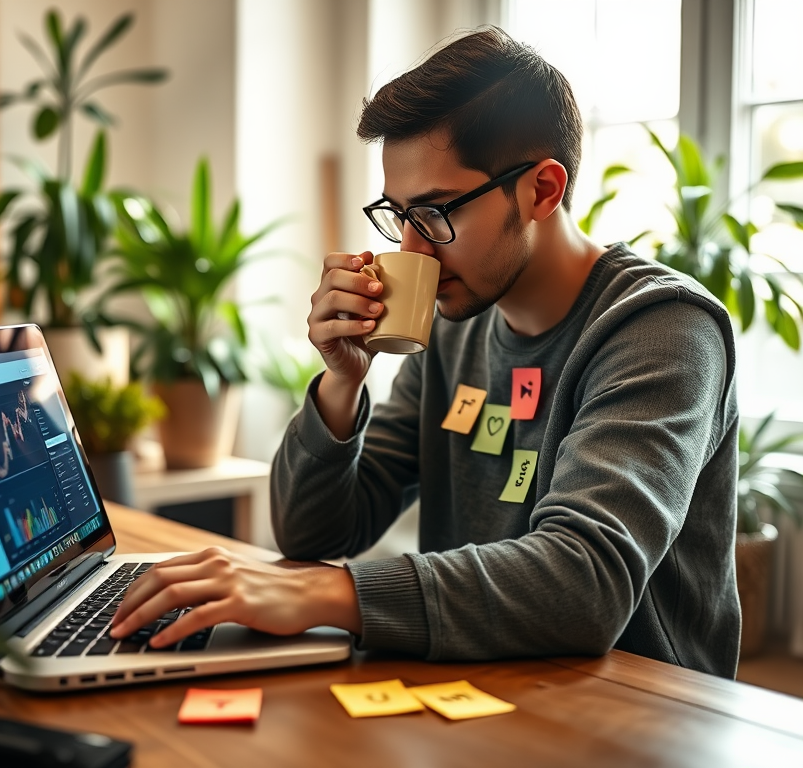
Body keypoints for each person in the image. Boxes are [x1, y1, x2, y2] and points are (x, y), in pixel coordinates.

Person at [111, 26, 741, 679]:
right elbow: (315, 534)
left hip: (639, 709)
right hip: (483, 682)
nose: (412, 250)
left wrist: (333, 593)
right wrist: (341, 386)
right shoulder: (455, 326)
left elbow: (583, 583)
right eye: (398, 214)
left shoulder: (663, 330)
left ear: (543, 190)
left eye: (437, 212)